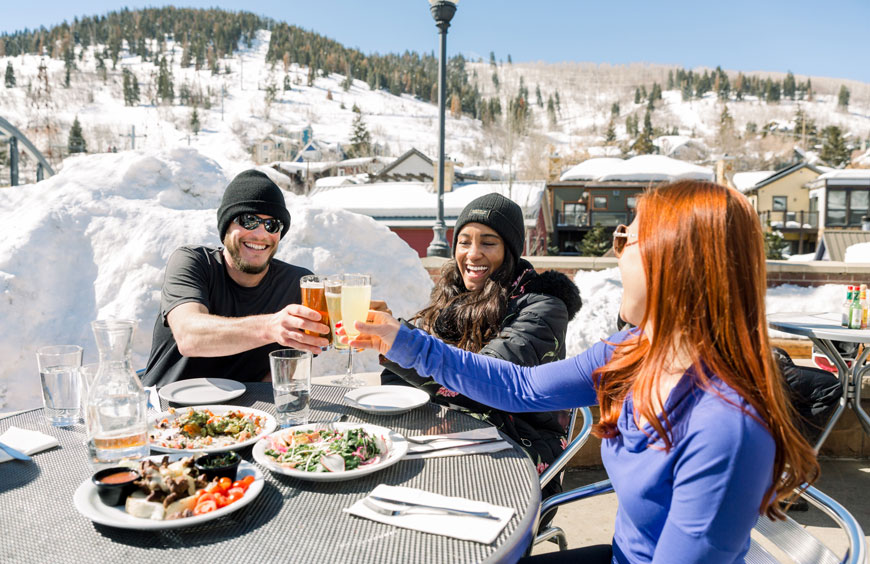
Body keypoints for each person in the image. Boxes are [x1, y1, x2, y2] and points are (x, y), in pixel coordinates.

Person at [348, 180, 820, 563]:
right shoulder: (635, 351)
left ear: (672, 258)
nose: (615, 255)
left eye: (624, 239)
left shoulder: (725, 427)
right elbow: (520, 386)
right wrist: (400, 340)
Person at [379, 193, 582, 503]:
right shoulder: (452, 298)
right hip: (452, 444)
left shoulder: (544, 309)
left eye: (488, 242)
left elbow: (487, 382)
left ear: (510, 251)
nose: (472, 254)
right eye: (464, 242)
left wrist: (401, 343)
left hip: (518, 456)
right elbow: (396, 380)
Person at [142, 170, 330, 387]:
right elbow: (189, 336)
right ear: (225, 227)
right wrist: (270, 327)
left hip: (244, 415)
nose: (260, 234)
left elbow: (283, 372)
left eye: (272, 225)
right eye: (248, 220)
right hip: (166, 410)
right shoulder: (192, 262)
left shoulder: (298, 283)